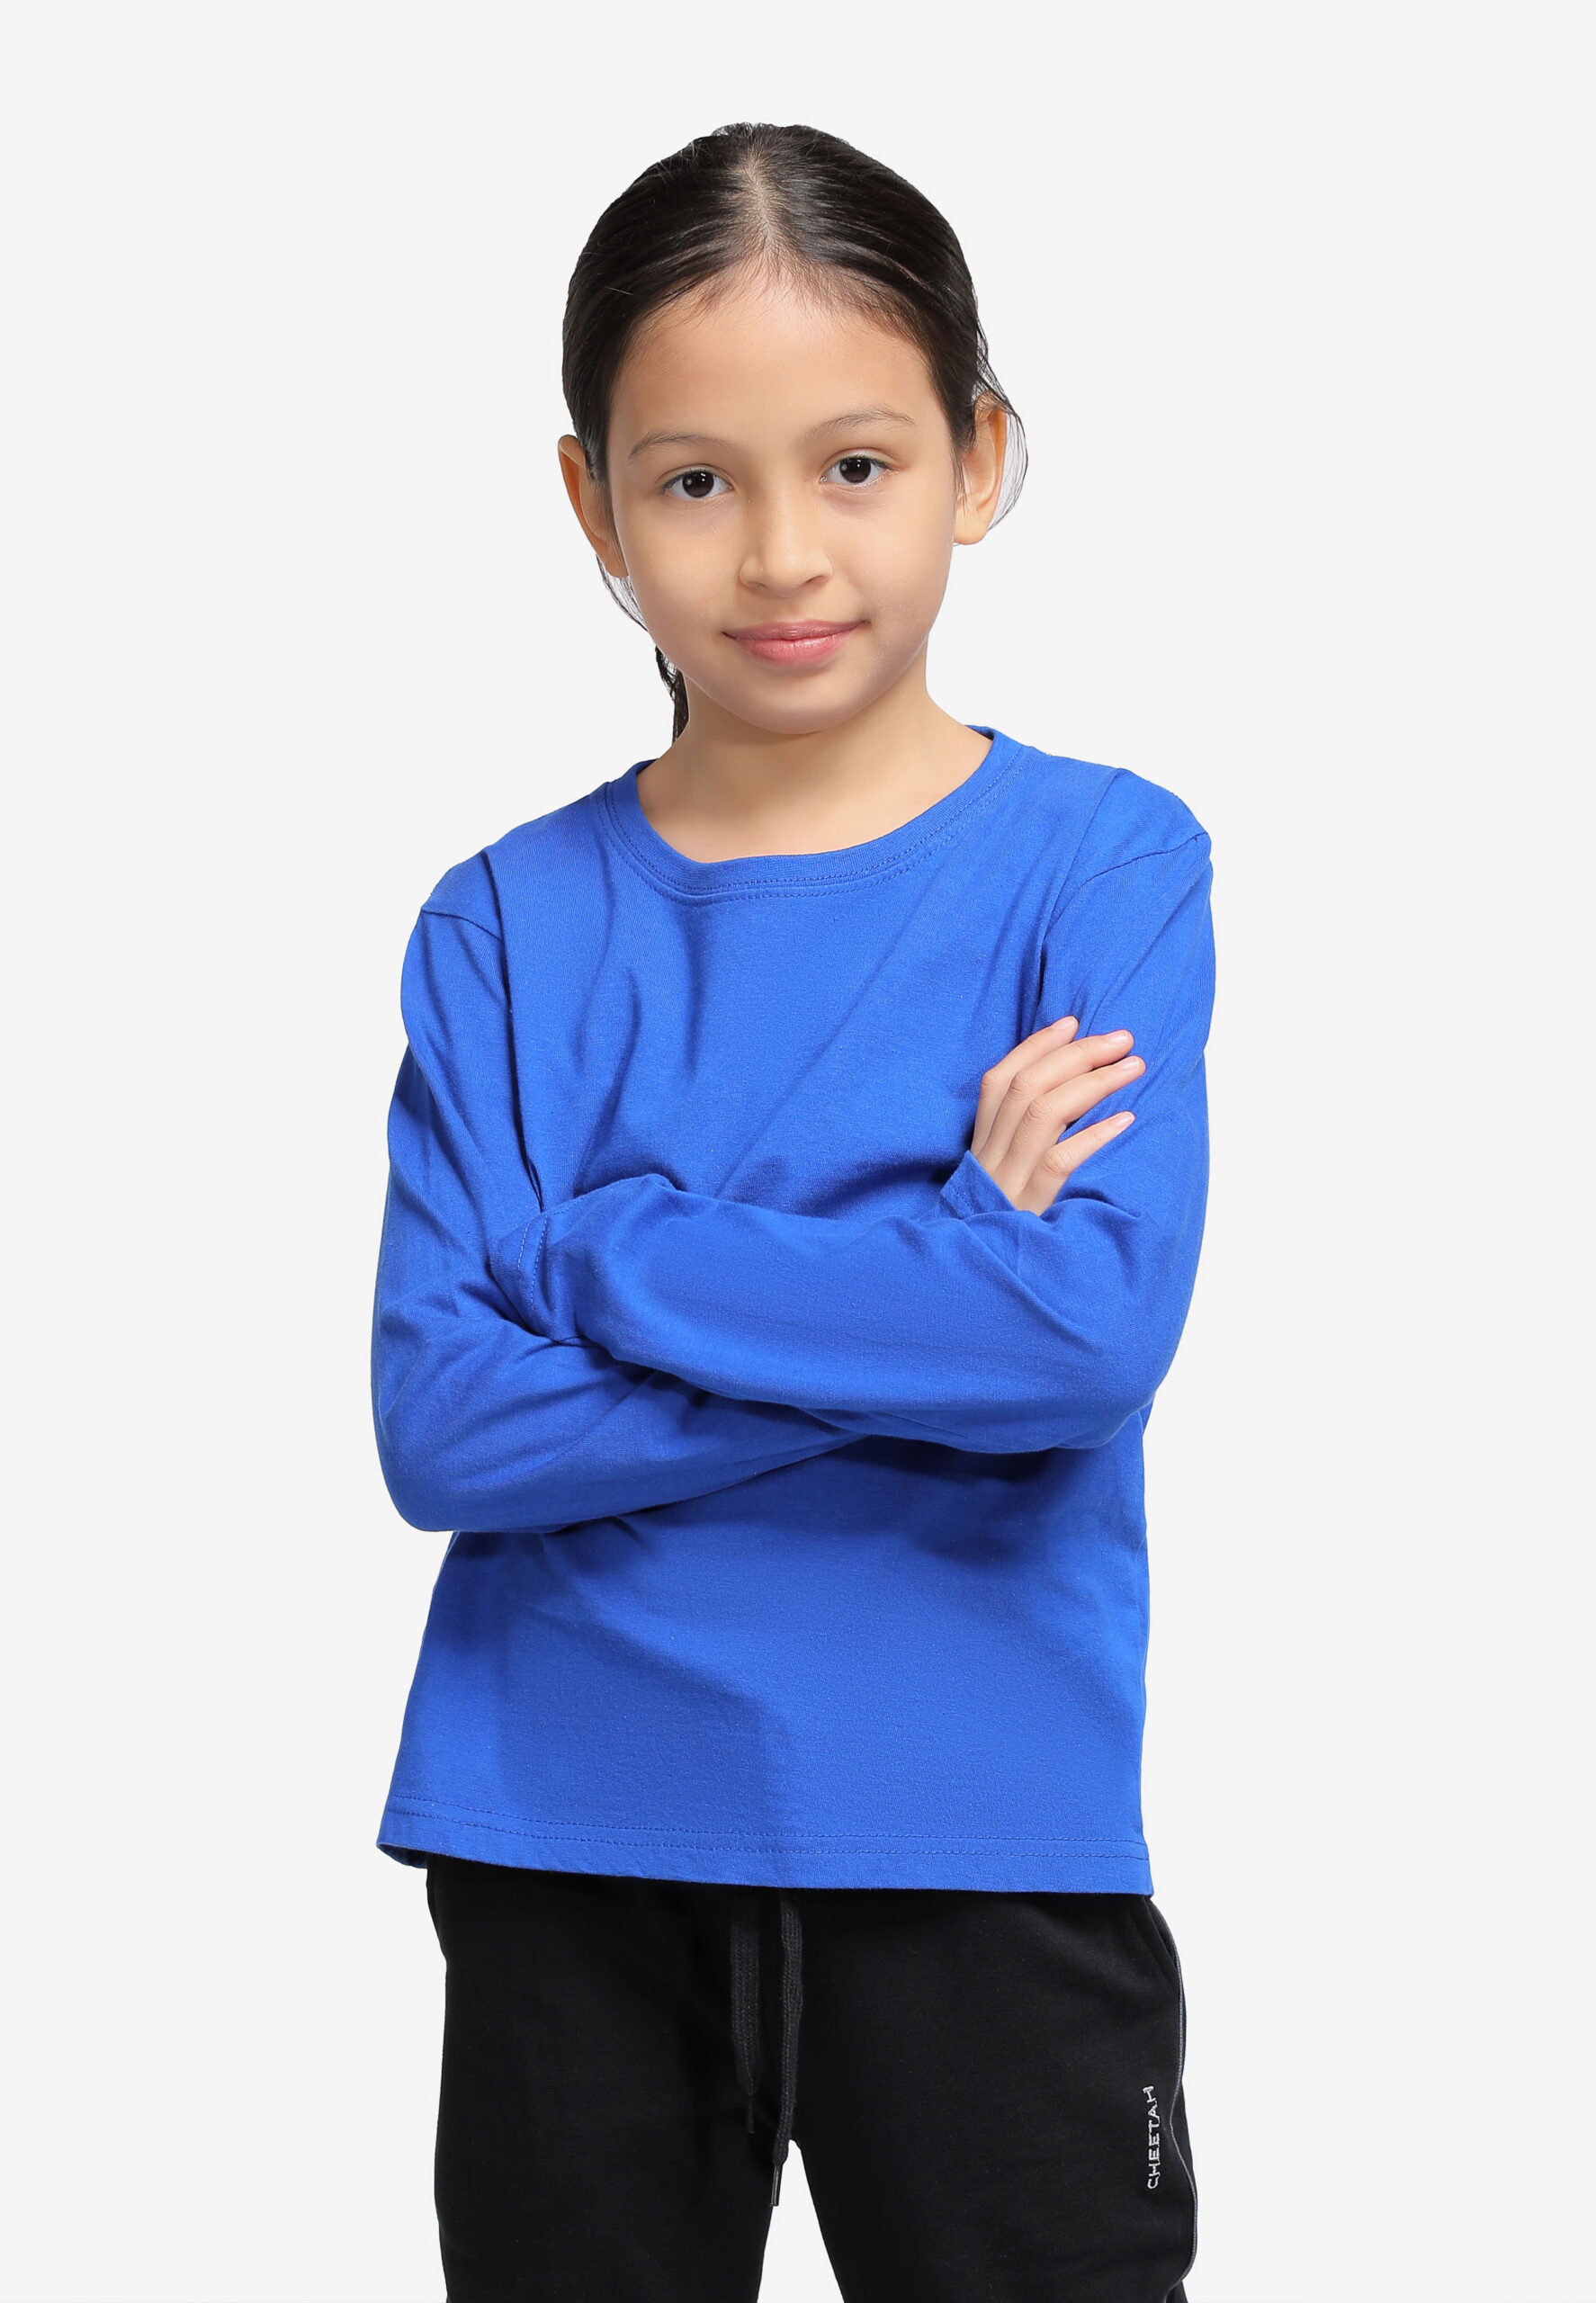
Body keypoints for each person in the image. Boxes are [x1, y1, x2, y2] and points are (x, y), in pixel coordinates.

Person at [372, 121, 1212, 2303]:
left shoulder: (1100, 864)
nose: (776, 553)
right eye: (691, 480)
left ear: (976, 457)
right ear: (592, 504)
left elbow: (1078, 1341)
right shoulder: (502, 925)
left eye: (853, 465)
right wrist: (937, 1276)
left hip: (978, 1824)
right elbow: (444, 1428)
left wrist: (609, 1251)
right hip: (564, 1823)